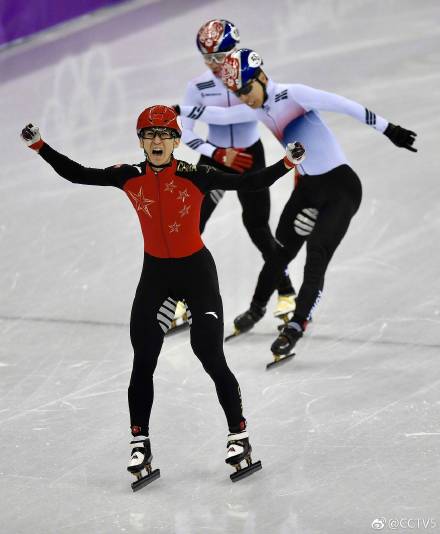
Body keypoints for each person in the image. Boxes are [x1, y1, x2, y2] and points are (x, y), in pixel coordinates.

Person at [20, 105, 306, 487]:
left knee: (209, 352)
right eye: (149, 135)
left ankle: (239, 435)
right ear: (141, 141)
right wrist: (40, 146)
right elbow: (78, 174)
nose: (157, 141)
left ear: (175, 141)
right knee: (143, 359)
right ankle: (140, 441)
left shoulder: (196, 174)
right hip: (155, 276)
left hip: (196, 274)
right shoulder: (127, 176)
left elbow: (250, 182)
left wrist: (286, 163)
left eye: (164, 135)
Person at [177, 48, 417, 360]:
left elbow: (346, 106)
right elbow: (221, 116)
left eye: (247, 90)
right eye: (238, 93)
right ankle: (256, 308)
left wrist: (390, 130)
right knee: (279, 253)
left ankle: (297, 325)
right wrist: (179, 110)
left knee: (315, 255)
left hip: (340, 189)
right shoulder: (256, 108)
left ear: (262, 78)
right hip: (307, 189)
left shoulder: (295, 95)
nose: (245, 98)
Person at [176, 19, 296, 324]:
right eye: (207, 59)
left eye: (219, 57)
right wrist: (216, 152)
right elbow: (184, 133)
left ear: (235, 50)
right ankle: (182, 298)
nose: (214, 66)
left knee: (257, 228)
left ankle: (286, 291)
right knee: (191, 227)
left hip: (248, 159)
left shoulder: (253, 79)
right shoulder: (197, 87)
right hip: (214, 159)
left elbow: (255, 110)